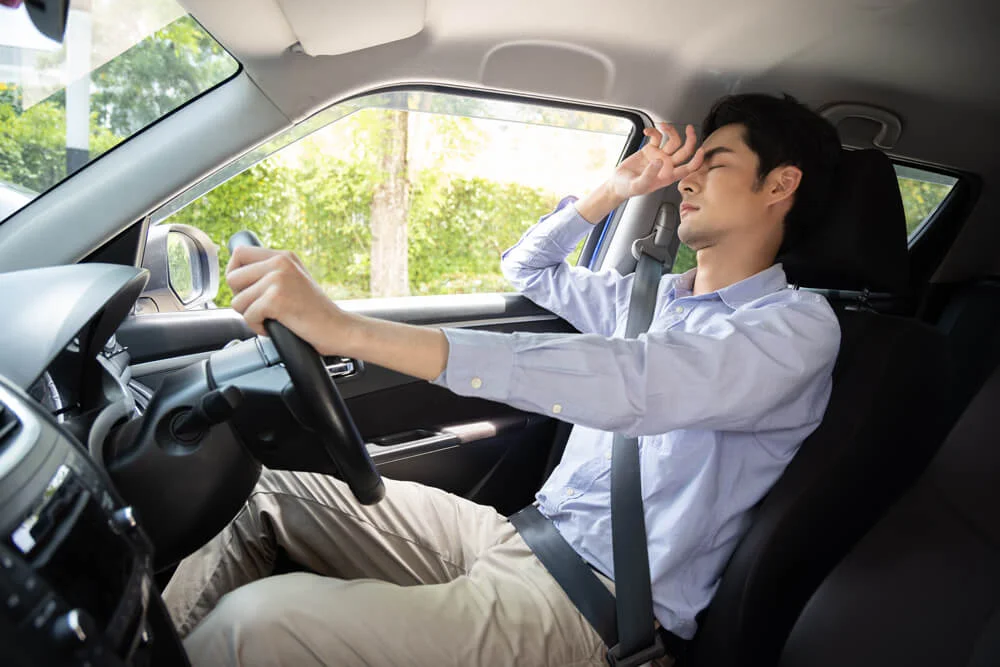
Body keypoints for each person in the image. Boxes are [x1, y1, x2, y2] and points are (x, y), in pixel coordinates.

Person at [163, 93, 843, 667]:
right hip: (517, 535)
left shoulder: (796, 330)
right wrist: (615, 190)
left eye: (713, 164)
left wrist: (350, 330)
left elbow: (637, 383)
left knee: (258, 624)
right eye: (687, 167)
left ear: (779, 185)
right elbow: (528, 268)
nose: (686, 181)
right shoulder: (653, 297)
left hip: (588, 607)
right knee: (258, 491)